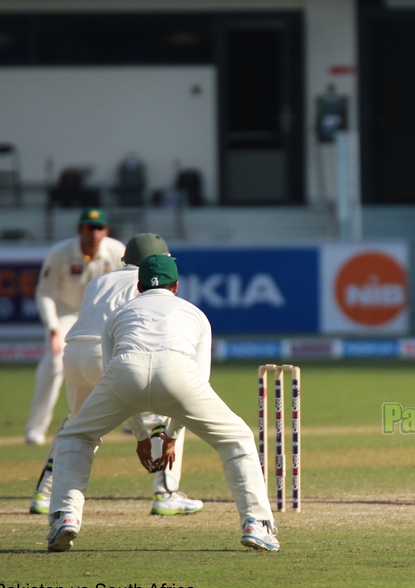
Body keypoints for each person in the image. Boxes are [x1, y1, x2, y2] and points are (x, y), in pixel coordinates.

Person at [46, 254, 278, 553]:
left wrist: (141, 436)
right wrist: (171, 435)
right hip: (177, 373)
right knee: (236, 439)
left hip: (126, 371)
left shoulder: (118, 314)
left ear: (139, 286)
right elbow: (199, 379)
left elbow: (110, 376)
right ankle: (255, 524)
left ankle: (65, 516)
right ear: (176, 286)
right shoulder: (194, 313)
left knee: (76, 435)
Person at [29, 233, 204, 517]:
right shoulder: (148, 284)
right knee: (163, 417)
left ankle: (45, 494)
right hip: (108, 354)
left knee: (77, 426)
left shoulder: (99, 280)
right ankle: (166, 494)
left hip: (74, 355)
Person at [25, 208, 124, 445]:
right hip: (68, 314)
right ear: (80, 230)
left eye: (99, 228)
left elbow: (128, 286)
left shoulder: (117, 251)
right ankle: (36, 428)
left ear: (106, 230)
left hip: (102, 314)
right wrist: (53, 328)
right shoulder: (60, 253)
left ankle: (134, 422)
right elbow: (45, 293)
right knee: (53, 362)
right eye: (89, 228)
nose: (95, 233)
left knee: (122, 360)